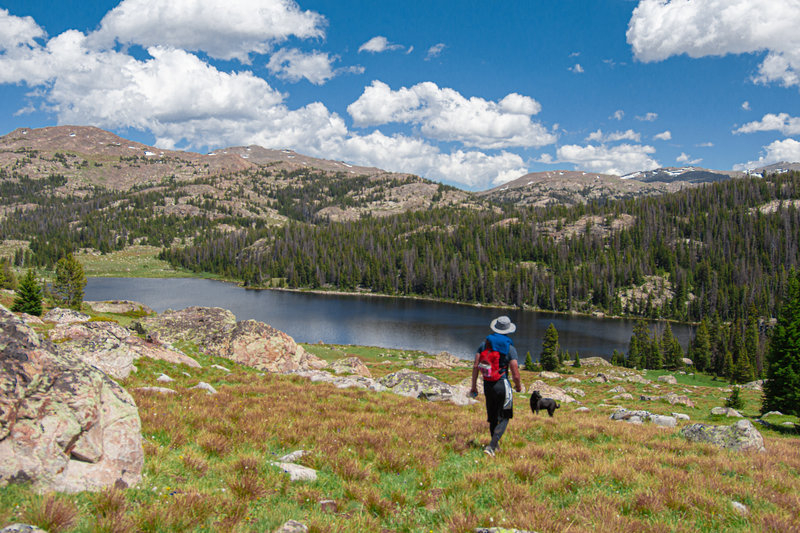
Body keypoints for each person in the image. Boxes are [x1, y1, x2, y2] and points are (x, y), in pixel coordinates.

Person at [470, 315, 523, 456]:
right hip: (502, 384)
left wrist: (474, 386)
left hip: (488, 384)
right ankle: (492, 446)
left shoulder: (484, 344)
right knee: (505, 415)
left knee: (493, 416)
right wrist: (518, 386)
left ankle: (495, 446)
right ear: (507, 330)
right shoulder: (509, 347)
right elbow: (515, 372)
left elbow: (476, 366)